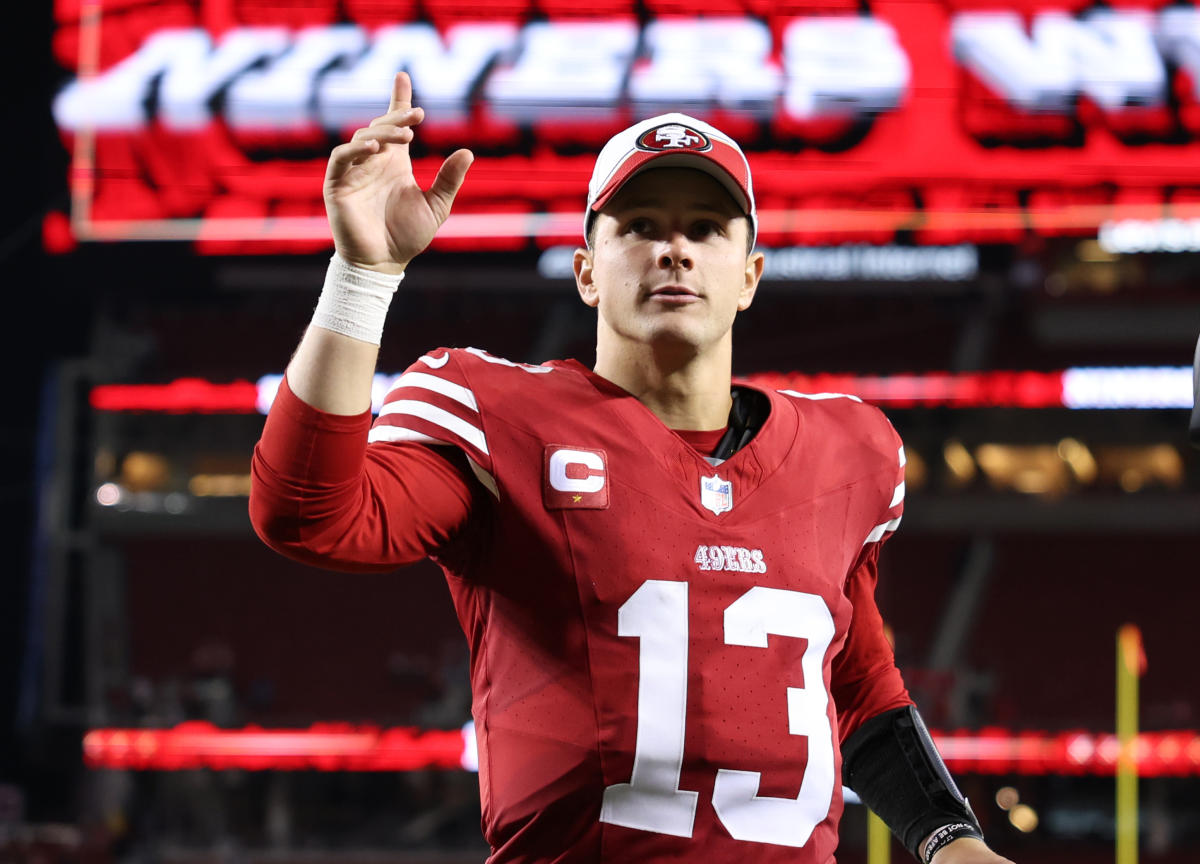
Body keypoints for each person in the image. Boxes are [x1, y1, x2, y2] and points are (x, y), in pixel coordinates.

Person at [249, 72, 1015, 864]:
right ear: (587, 271)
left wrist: (951, 839)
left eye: (707, 228)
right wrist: (362, 277)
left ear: (748, 276)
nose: (673, 248)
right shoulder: (500, 415)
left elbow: (856, 685)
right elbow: (309, 515)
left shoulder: (845, 453)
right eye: (640, 224)